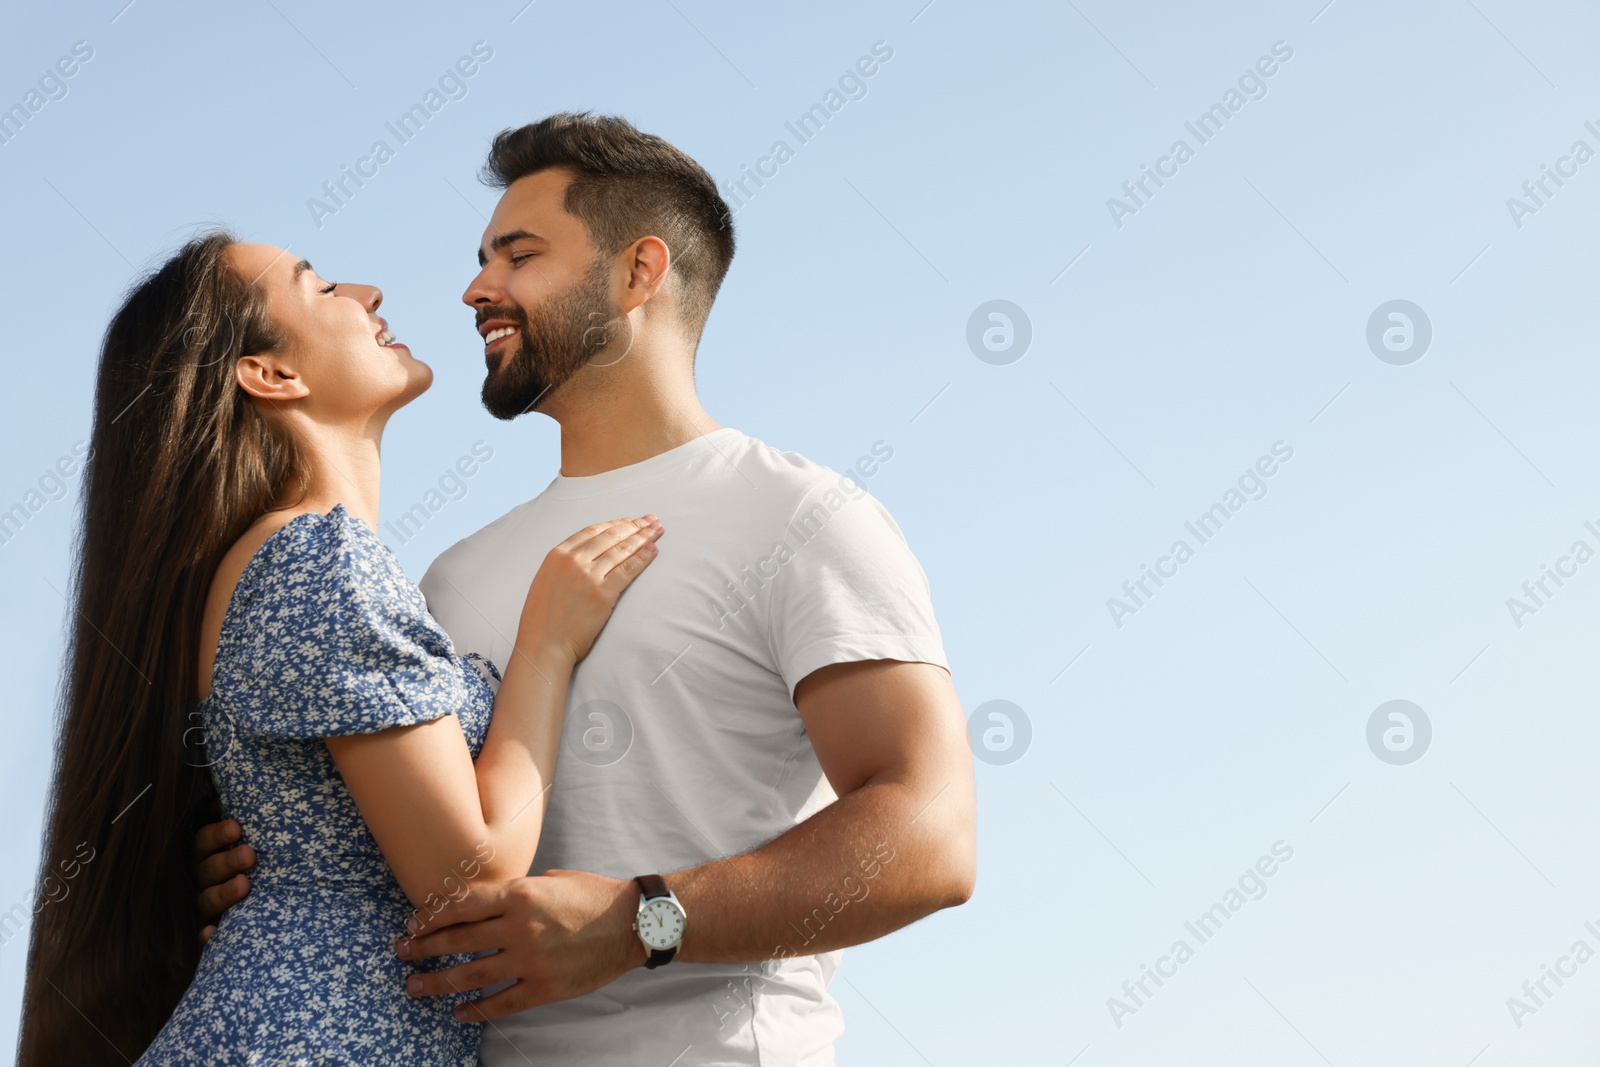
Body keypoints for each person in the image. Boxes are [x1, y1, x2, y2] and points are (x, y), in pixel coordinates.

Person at [198, 112, 978, 1066]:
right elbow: (411, 845)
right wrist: (269, 880)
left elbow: (931, 835)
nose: (477, 288)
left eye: (518, 255)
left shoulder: (801, 515)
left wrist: (637, 920)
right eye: (483, 257)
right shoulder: (450, 577)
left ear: (637, 272)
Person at [17, 231, 662, 1065]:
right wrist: (546, 642)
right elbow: (470, 877)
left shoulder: (274, 562)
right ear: (271, 374)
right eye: (320, 288)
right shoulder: (320, 559)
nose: (366, 292)